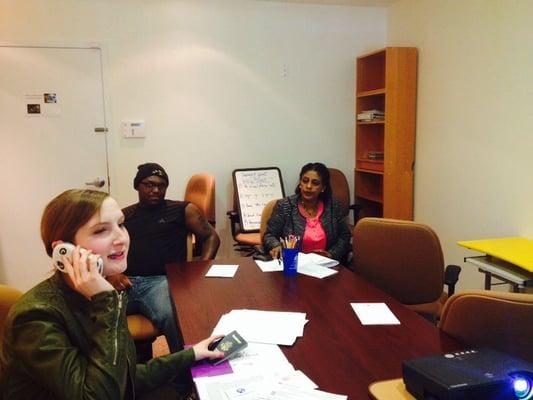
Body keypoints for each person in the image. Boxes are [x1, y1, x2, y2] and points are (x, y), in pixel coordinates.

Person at [0, 189, 223, 399]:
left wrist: (193, 354)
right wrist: (106, 304)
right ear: (63, 250)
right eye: (101, 230)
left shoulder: (99, 293)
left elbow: (121, 376)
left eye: (121, 225)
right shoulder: (35, 316)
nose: (121, 238)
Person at [107, 163, 220, 357]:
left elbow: (211, 237)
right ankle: (128, 372)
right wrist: (113, 273)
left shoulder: (182, 210)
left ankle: (185, 373)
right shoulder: (125, 216)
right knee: (92, 314)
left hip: (161, 281)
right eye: (149, 185)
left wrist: (199, 268)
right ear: (137, 186)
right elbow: (108, 248)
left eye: (161, 185)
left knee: (170, 315)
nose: (156, 190)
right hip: (127, 281)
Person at [263, 162, 351, 262]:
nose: (308, 186)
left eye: (315, 183)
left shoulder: (333, 206)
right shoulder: (285, 206)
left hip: (326, 266)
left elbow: (344, 236)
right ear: (300, 184)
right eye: (305, 181)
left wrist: (331, 255)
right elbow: (269, 235)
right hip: (294, 264)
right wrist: (277, 246)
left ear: (323, 188)